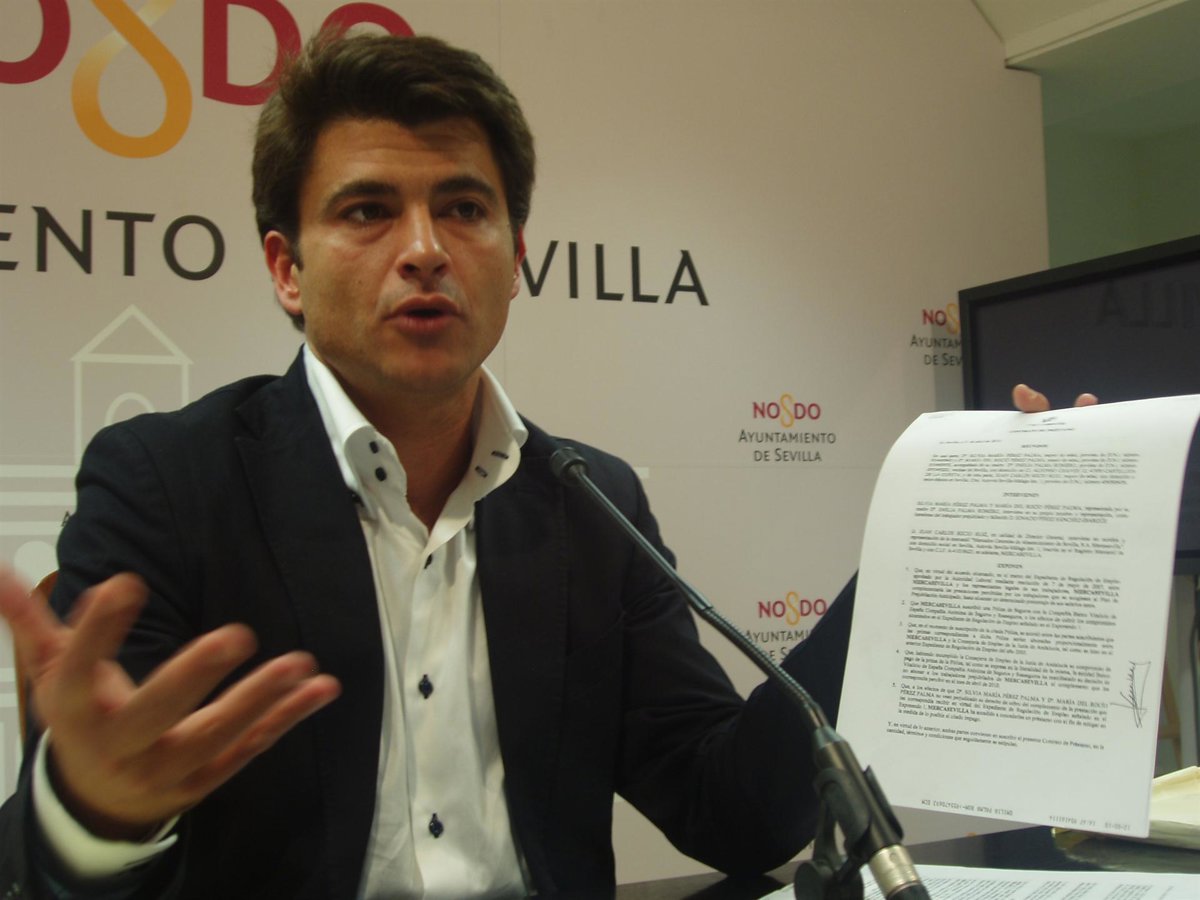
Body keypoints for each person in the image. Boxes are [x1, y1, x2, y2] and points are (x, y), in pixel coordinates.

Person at [0, 30, 1091, 900]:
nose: (424, 249)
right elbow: (57, 864)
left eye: (464, 209)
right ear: (287, 268)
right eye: (368, 211)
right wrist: (95, 813)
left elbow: (735, 808)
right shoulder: (166, 482)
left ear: (517, 258)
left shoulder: (588, 501)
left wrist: (926, 552)